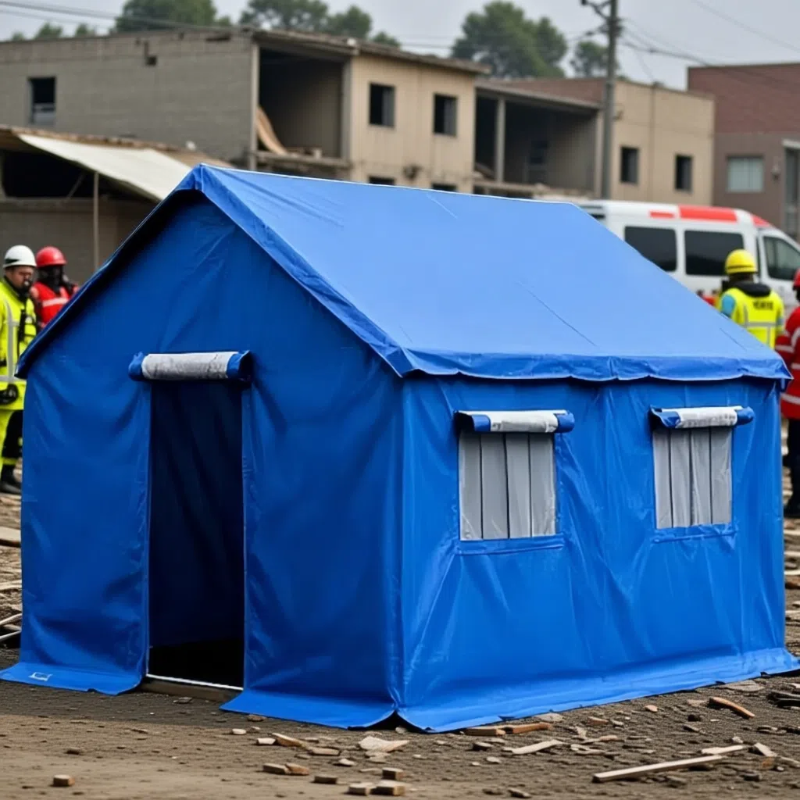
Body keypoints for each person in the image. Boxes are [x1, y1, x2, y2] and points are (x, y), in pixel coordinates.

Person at [0, 246, 38, 495]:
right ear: (9, 272)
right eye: (22, 273)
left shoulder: (26, 303)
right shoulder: (2, 300)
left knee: (13, 437)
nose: (27, 278)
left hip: (20, 386)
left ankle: (6, 476)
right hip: (4, 385)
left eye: (30, 273)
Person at [717, 249, 785, 347]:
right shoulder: (775, 298)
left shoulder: (729, 298)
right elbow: (780, 331)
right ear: (753, 274)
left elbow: (720, 331)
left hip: (741, 360)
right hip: (767, 359)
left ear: (730, 275)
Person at [777, 271, 800, 517]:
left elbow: (783, 356)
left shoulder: (795, 319)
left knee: (797, 454)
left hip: (798, 405)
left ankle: (798, 502)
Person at [31, 246, 78, 329]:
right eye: (50, 269)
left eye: (57, 268)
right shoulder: (35, 291)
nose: (54, 273)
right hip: (47, 337)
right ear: (42, 271)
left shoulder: (68, 290)